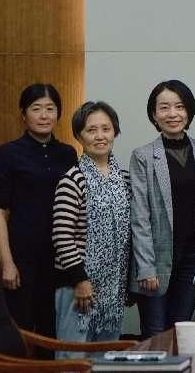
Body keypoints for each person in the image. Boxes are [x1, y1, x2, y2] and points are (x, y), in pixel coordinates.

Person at [0, 83, 78, 340]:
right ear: (23, 115)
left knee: (54, 330)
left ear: (58, 114)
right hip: (22, 257)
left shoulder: (68, 153)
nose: (44, 115)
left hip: (60, 258)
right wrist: (7, 262)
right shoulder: (7, 153)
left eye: (50, 109)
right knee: (21, 331)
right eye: (36, 108)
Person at [129, 80, 195, 338]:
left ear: (188, 111)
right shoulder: (143, 156)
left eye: (179, 106)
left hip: (192, 259)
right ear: (154, 115)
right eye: (164, 107)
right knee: (156, 334)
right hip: (155, 260)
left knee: (181, 332)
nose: (172, 114)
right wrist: (146, 267)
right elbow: (140, 216)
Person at [52, 101, 130, 355]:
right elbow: (62, 236)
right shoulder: (72, 179)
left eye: (106, 129)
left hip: (113, 286)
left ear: (115, 132)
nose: (100, 136)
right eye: (91, 130)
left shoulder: (124, 179)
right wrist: (81, 280)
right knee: (72, 358)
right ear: (78, 135)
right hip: (77, 285)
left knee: (105, 358)